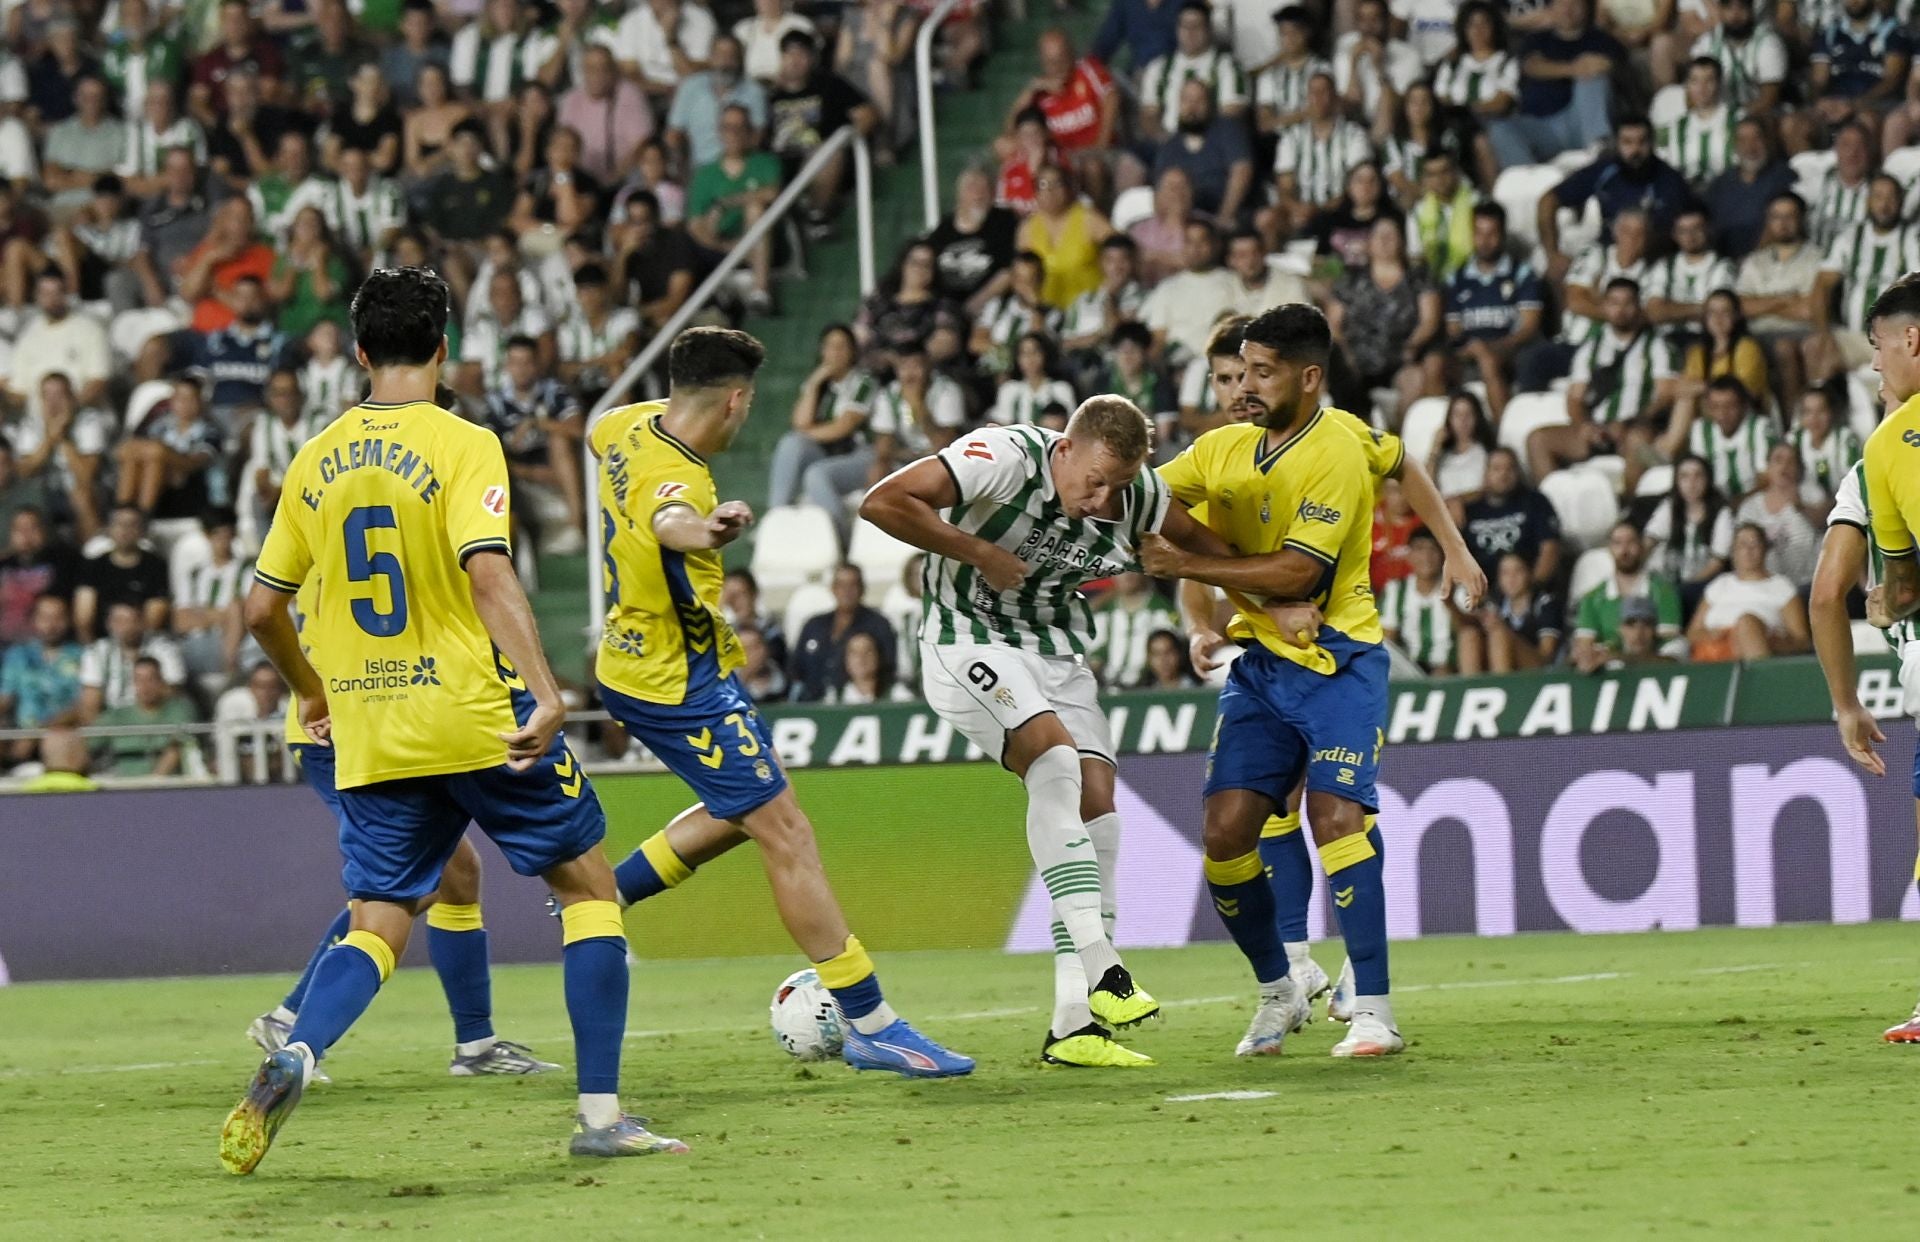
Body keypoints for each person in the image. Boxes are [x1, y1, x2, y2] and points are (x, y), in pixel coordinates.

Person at [219, 267, 674, 1172]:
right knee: (589, 890)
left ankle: (300, 1052)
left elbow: (261, 609)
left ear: (357, 353)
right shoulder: (463, 442)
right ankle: (601, 1117)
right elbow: (488, 571)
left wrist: (311, 689)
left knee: (381, 914)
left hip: (372, 730)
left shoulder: (313, 459)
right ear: (444, 346)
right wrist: (546, 690)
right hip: (471, 711)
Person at [585, 325, 973, 1078]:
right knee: (785, 829)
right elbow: (671, 517)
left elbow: (615, 452)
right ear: (735, 401)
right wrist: (708, 527)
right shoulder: (685, 479)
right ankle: (872, 1021)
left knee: (747, 807)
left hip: (636, 662)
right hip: (676, 682)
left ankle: (602, 895)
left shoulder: (622, 425)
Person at [863, 396, 1227, 1065]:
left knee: (1100, 815)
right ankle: (1104, 968)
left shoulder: (1137, 496)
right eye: (1093, 482)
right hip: (964, 637)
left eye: (1116, 487)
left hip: (1055, 650)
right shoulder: (1002, 457)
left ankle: (1074, 1027)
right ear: (1065, 449)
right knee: (1054, 762)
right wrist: (978, 551)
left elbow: (1214, 549)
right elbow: (883, 502)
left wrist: (1208, 574)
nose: (1101, 500)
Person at [1144, 304, 1406, 1059]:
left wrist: (1187, 564)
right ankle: (1280, 988)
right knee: (1225, 834)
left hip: (1339, 659)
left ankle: (1375, 1009)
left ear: (1308, 376)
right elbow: (1150, 504)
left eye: (1262, 371)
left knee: (1336, 818)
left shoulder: (1337, 450)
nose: (1246, 386)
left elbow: (1300, 572)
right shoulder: (1221, 448)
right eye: (1238, 371)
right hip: (1260, 669)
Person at [1808, 394, 1920, 1041]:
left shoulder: (1872, 463)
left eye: (1881, 351)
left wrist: (1845, 703)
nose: (1876, 371)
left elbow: (1827, 595)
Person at [1528, 278, 1687, 494]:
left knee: (1637, 441)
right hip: (1598, 430)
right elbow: (1575, 398)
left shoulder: (1658, 347)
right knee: (1538, 440)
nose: (1621, 310)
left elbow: (1665, 396)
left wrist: (1631, 422)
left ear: (1638, 307)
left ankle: (1631, 511)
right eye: (1614, 303)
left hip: (1637, 428)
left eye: (1627, 303)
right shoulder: (1590, 349)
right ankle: (1554, 505)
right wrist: (1585, 425)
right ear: (1604, 307)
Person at [1806, 174, 1920, 388]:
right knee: (1815, 347)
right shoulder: (1850, 238)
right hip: (1854, 336)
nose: (1884, 205)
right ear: (1868, 201)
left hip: (1898, 340)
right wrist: (1823, 334)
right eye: (1878, 197)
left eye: (1891, 198)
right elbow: (1821, 287)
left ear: (1901, 202)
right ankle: (1820, 414)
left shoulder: (1912, 239)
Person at [768, 323, 877, 510]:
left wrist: (805, 432)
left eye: (841, 347)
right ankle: (776, 514)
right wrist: (814, 383)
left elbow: (843, 427)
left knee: (816, 474)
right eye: (830, 347)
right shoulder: (819, 384)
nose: (835, 353)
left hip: (861, 455)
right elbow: (799, 422)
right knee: (791, 444)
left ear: (853, 351)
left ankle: (836, 534)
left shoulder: (864, 383)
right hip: (828, 452)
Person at [1571, 522, 1684, 673]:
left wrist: (1615, 654)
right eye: (1617, 543)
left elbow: (1667, 647)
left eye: (1631, 542)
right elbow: (1584, 647)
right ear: (1609, 549)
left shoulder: (1664, 592)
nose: (1625, 550)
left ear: (1641, 546)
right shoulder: (1592, 598)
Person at [1686, 523, 1810, 659]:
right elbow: (1692, 633)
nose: (1748, 551)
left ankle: (1760, 675)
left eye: (1754, 545)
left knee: (1747, 622)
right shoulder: (1719, 585)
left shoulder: (1781, 587)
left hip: (1759, 642)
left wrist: (1773, 642)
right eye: (1742, 545)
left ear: (1764, 549)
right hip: (1715, 651)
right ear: (1733, 551)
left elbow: (1801, 640)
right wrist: (1715, 635)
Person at [787, 562, 898, 702]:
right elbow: (796, 669)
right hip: (812, 705)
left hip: (857, 702)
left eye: (853, 585)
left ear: (862, 589)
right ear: (833, 589)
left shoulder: (878, 624)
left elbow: (888, 668)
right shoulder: (814, 625)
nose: (847, 591)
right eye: (841, 585)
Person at [0, 592, 85, 766]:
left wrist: (39, 732)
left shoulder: (82, 656)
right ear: (33, 620)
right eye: (45, 617)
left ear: (68, 620)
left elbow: (83, 708)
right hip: (20, 741)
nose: (51, 625)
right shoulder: (17, 655)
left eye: (58, 618)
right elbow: (4, 699)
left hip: (64, 736)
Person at [1462, 447, 1562, 586]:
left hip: (1529, 589)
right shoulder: (1469, 511)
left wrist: (1531, 592)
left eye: (1510, 468)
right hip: (1481, 592)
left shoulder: (1535, 502)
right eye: (1496, 469)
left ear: (1518, 473)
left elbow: (1550, 549)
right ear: (1485, 474)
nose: (1503, 474)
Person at [91, 654, 198, 777]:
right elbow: (88, 742)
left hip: (170, 786)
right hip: (124, 786)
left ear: (161, 681)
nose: (145, 686)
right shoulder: (117, 716)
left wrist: (153, 782)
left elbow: (177, 746)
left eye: (151, 679)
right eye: (139, 680)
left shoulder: (180, 709)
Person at [1456, 552, 1563, 673]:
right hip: (1500, 663)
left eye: (1518, 571)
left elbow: (1547, 656)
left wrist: (1504, 631)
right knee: (1469, 634)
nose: (1511, 578)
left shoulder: (1545, 603)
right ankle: (1470, 687)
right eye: (1505, 573)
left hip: (1539, 668)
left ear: (1529, 573)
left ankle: (1502, 685)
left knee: (1499, 634)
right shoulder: (1495, 604)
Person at [1734, 443, 1822, 585]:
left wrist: (1800, 507)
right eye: (1778, 460)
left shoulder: (1810, 494)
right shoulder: (1750, 507)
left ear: (1799, 469)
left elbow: (1825, 521)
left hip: (1807, 583)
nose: (1784, 466)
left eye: (1791, 461)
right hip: (1763, 585)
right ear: (1768, 467)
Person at [1379, 527, 1455, 673]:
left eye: (1432, 549)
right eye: (1419, 549)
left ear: (1443, 555)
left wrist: (1452, 606)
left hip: (1448, 668)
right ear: (1409, 555)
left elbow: (1468, 632)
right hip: (1408, 668)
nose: (1426, 556)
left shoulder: (1457, 589)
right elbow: (1388, 640)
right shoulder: (1395, 591)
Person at [1790, 385, 1862, 504]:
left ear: (1832, 412)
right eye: (1808, 412)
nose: (1814, 419)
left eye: (1821, 411)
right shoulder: (1795, 439)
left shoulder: (1846, 439)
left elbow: (1854, 486)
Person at [1430, 392, 1494, 509]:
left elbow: (1490, 489)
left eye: (1468, 414)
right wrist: (1435, 448)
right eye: (1457, 415)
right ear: (1449, 420)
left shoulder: (1487, 452)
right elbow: (1426, 488)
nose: (1463, 421)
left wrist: (1458, 501)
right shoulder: (1442, 456)